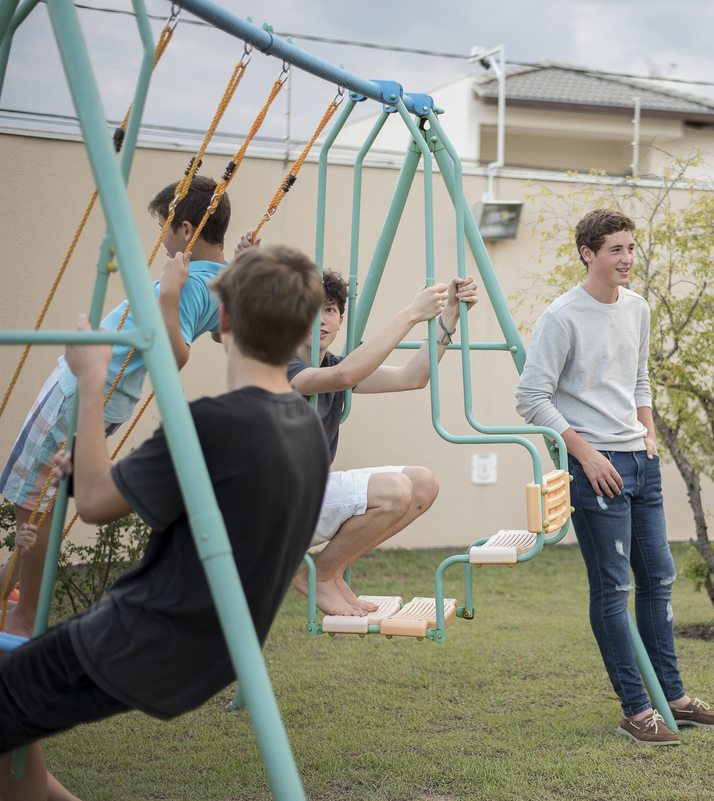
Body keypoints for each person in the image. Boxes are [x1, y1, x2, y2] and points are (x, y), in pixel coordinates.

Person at [0, 243, 329, 801]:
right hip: (216, 651)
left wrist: (91, 382)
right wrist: (86, 469)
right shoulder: (305, 427)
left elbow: (95, 504)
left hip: (141, 638)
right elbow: (133, 490)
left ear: (223, 319)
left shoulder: (214, 423)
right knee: (14, 732)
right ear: (304, 331)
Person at [515, 208, 714, 745]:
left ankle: (673, 698)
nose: (628, 258)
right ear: (587, 254)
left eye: (631, 248)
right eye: (616, 249)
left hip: (640, 461)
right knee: (613, 587)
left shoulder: (637, 308)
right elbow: (531, 398)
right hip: (595, 470)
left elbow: (640, 379)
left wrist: (649, 436)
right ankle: (636, 710)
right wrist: (587, 456)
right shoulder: (561, 316)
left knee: (658, 579)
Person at [0, 176, 232, 638]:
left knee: (33, 505)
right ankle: (19, 599)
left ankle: (24, 617)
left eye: (165, 227)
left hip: (79, 391)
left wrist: (169, 295)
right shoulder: (221, 280)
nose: (162, 239)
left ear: (187, 229)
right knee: (42, 504)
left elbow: (176, 355)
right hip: (104, 398)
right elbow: (219, 331)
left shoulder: (185, 282)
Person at [282, 255, 478, 617]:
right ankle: (319, 578)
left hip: (313, 493)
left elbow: (412, 377)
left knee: (422, 484)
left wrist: (449, 313)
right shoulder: (283, 366)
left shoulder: (333, 365)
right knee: (395, 490)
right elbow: (344, 377)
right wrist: (411, 313)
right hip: (278, 505)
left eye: (329, 310)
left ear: (341, 319)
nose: (320, 319)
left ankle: (329, 571)